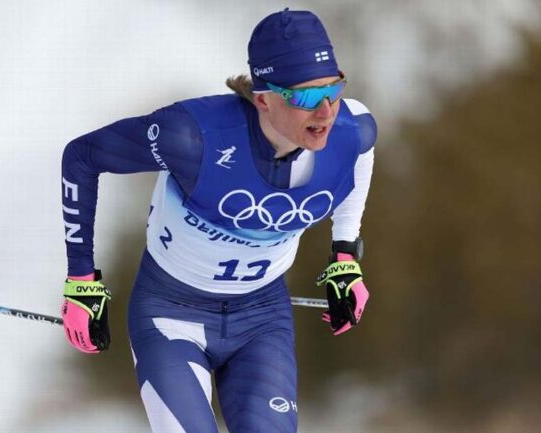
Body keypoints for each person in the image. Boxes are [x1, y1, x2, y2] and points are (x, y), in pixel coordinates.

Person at [60, 8, 376, 433]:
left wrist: (346, 257)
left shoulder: (352, 131)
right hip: (171, 314)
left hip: (262, 319)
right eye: (304, 98)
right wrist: (81, 280)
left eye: (333, 89)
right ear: (263, 98)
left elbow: (360, 155)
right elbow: (82, 157)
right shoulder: (191, 137)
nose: (325, 111)